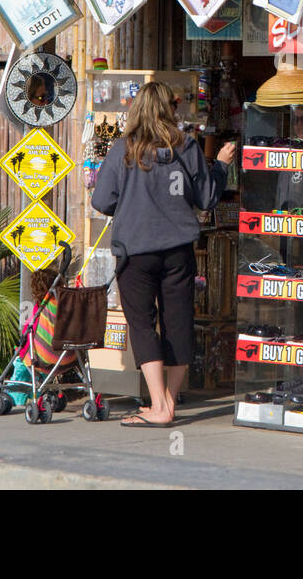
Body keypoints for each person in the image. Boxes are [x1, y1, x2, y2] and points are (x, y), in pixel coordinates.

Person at [90, 81, 235, 427]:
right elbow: (207, 199)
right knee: (178, 323)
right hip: (178, 249)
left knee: (142, 324)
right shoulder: (186, 147)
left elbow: (101, 201)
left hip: (135, 251)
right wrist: (222, 166)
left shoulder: (123, 150)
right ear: (168, 110)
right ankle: (168, 401)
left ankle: (159, 406)